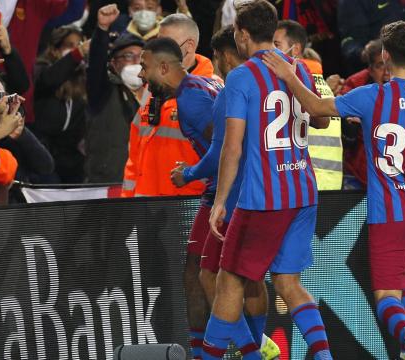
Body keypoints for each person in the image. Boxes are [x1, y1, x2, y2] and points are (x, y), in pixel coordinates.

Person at [263, 20, 405, 360]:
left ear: (385, 55)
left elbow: (317, 109)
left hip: (389, 214)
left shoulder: (371, 96)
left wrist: (288, 75)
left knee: (388, 296)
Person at [204, 1, 332, 359]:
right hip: (304, 191)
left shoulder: (241, 76)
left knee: (228, 280)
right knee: (289, 283)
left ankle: (210, 356)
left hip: (264, 198)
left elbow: (233, 147)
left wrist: (219, 201)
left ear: (243, 35)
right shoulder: (299, 68)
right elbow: (322, 121)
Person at [148, 27, 280, 359]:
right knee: (214, 274)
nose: (141, 74)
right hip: (233, 190)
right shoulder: (206, 84)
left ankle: (252, 350)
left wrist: (188, 174)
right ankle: (248, 347)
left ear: (163, 68)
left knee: (209, 276)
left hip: (229, 192)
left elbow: (224, 148)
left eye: (145, 66)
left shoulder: (190, 97)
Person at [121, 13, 216, 197]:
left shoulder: (209, 91)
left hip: (187, 208)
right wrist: (127, 201)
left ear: (189, 46)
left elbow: (223, 153)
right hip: (145, 207)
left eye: (167, 44)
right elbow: (136, 148)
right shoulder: (152, 87)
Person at [273, 19, 343, 191]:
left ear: (295, 49)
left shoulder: (295, 84)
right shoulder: (321, 83)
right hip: (330, 182)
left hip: (308, 180)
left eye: (276, 44)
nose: (271, 51)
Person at [85, 4, 145, 183]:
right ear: (114, 64)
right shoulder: (103, 92)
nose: (136, 61)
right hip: (109, 183)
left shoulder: (156, 96)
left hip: (145, 183)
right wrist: (102, 29)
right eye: (128, 56)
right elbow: (96, 64)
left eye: (140, 56)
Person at [32, 25, 88, 183]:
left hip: (71, 155)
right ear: (55, 49)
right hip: (44, 151)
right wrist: (76, 55)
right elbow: (50, 80)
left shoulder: (82, 76)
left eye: (79, 45)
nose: (77, 50)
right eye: (70, 45)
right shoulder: (41, 69)